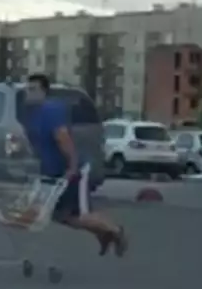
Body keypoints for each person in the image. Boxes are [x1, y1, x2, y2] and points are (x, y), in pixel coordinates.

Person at [22, 73, 128, 256]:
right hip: (55, 172)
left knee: (82, 215)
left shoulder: (50, 110)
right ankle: (104, 234)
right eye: (28, 89)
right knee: (63, 216)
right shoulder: (34, 115)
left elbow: (63, 138)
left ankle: (116, 231)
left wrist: (73, 166)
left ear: (44, 92)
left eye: (34, 89)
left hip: (73, 170)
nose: (29, 92)